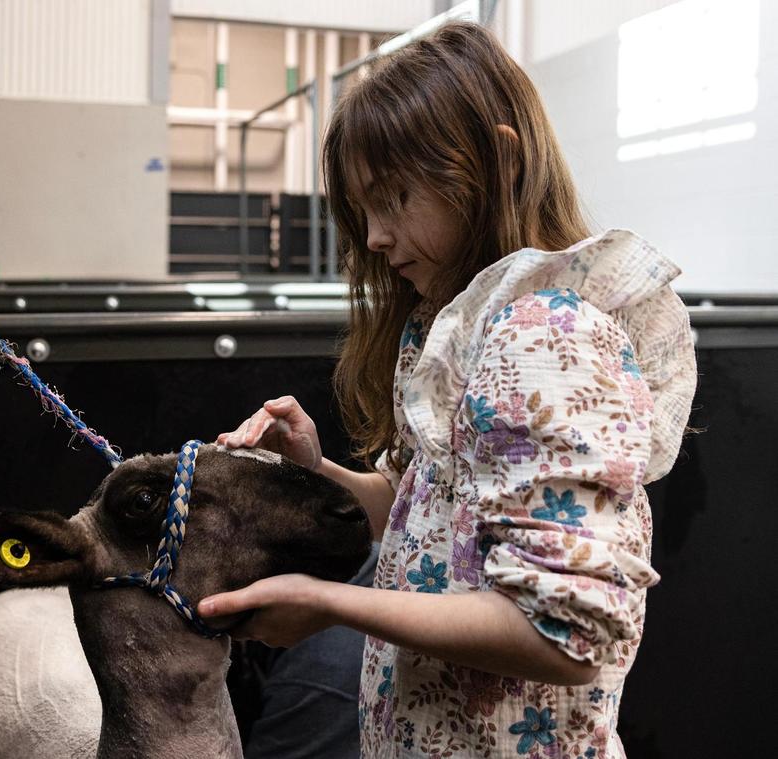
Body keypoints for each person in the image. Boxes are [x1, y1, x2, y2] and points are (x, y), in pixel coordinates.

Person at [201, 21, 697, 759]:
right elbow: (426, 518)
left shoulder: (545, 338)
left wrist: (330, 604)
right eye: (362, 210)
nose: (372, 236)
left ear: (496, 160)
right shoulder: (464, 327)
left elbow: (565, 634)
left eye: (395, 197)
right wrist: (316, 470)